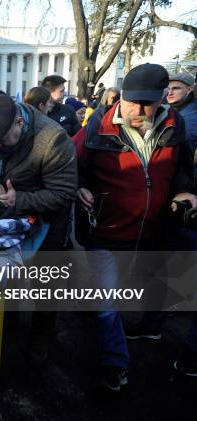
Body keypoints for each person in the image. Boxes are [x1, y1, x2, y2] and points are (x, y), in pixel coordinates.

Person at [73, 63, 196, 391]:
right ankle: (115, 362)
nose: (137, 111)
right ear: (122, 96)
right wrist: (78, 186)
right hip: (106, 232)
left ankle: (149, 328)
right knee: (106, 304)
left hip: (155, 231)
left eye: (147, 104)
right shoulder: (98, 124)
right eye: (131, 103)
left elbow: (183, 170)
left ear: (162, 101)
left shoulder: (176, 123)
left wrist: (186, 191)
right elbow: (69, 163)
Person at [0, 94, 77, 366]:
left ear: (20, 122)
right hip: (8, 217)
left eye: (2, 141)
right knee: (9, 276)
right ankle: (6, 327)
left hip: (48, 221)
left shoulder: (53, 140)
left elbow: (63, 193)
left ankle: (40, 340)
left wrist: (19, 200)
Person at [167, 72, 197, 149]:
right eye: (168, 88)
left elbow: (185, 151)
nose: (170, 93)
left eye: (176, 88)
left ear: (189, 89)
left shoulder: (189, 118)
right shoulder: (178, 106)